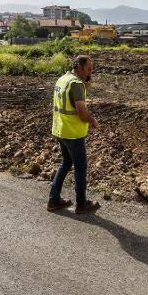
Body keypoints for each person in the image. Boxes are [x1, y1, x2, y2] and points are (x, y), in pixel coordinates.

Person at [47, 55, 101, 214]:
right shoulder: (76, 84)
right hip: (73, 134)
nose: (91, 72)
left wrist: (85, 86)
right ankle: (82, 204)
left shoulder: (63, 79)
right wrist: (93, 121)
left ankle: (53, 200)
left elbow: (67, 101)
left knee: (66, 163)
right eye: (89, 68)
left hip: (60, 130)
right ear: (79, 67)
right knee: (80, 168)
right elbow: (82, 113)